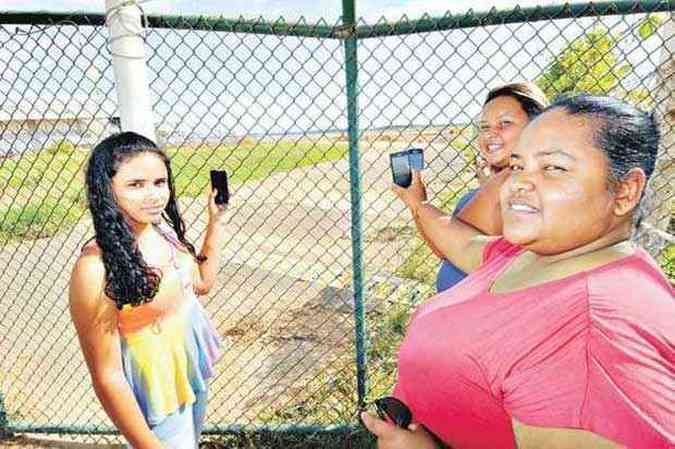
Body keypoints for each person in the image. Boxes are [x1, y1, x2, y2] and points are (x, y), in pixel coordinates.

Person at [362, 95, 674, 448]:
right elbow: (462, 243)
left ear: (625, 190)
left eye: (553, 168)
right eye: (517, 165)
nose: (517, 184)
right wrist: (417, 203)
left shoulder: (591, 338)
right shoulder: (542, 254)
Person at [68, 132, 227, 449]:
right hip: (157, 391)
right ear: (106, 190)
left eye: (160, 182)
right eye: (136, 185)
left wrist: (216, 220)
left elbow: (202, 284)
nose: (154, 195)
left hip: (187, 372)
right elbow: (107, 376)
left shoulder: (162, 232)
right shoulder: (94, 270)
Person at [414, 82, 548, 292]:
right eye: (484, 126)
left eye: (504, 123)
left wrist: (416, 202)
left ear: (536, 127)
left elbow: (446, 248)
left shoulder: (508, 182)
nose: (490, 133)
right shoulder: (511, 182)